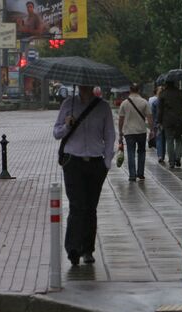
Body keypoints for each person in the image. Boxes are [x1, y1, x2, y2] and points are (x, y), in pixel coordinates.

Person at [53, 84, 115, 266]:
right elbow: (56, 133)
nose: (85, 88)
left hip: (96, 162)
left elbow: (110, 134)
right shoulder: (68, 104)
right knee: (76, 205)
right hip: (73, 162)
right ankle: (73, 249)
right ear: (78, 86)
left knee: (90, 207)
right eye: (82, 85)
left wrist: (107, 161)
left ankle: (87, 249)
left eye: (88, 85)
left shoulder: (103, 106)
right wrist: (66, 126)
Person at [118, 83, 154, 181]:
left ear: (130, 90)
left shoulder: (124, 103)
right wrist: (152, 130)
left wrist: (120, 132)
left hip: (129, 132)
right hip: (141, 131)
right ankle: (140, 173)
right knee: (141, 152)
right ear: (138, 90)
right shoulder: (144, 102)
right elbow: (149, 117)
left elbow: (121, 119)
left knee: (130, 153)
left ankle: (132, 175)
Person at [158, 81, 182, 168]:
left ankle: (171, 161)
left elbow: (160, 110)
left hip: (167, 120)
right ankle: (178, 157)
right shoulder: (180, 93)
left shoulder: (163, 94)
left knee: (169, 140)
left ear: (166, 84)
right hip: (178, 119)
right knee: (178, 139)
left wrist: (159, 121)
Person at [149, 86, 165, 163]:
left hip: (157, 123)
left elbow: (152, 114)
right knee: (165, 140)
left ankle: (160, 155)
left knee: (159, 139)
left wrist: (152, 126)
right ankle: (163, 155)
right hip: (166, 123)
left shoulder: (155, 102)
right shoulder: (166, 101)